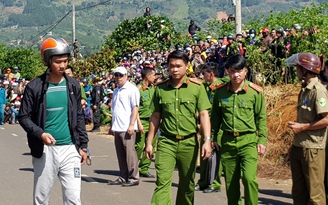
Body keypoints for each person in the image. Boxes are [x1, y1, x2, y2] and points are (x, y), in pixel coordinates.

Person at [18, 36, 89, 205]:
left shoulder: (73, 85)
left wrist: (84, 145)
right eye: (58, 62)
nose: (63, 65)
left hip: (70, 149)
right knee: (41, 198)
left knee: (73, 198)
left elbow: (78, 115)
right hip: (45, 152)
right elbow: (23, 116)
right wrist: (41, 134)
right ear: (48, 61)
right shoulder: (34, 87)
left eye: (65, 61)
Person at [145, 50, 212, 205]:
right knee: (162, 182)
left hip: (189, 143)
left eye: (178, 66)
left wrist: (207, 140)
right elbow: (155, 117)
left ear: (186, 66)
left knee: (187, 184)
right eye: (171, 66)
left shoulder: (197, 87)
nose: (174, 69)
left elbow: (203, 114)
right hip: (166, 142)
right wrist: (149, 143)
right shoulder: (160, 88)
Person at [211, 54, 268, 205]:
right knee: (231, 183)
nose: (236, 75)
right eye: (232, 71)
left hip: (248, 141)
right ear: (227, 72)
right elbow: (215, 117)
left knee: (249, 179)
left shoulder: (254, 93)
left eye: (239, 71)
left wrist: (262, 140)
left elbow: (261, 118)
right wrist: (213, 137)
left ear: (245, 71)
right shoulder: (220, 92)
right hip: (228, 143)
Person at [287, 53, 328, 205]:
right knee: (299, 192)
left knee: (315, 194)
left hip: (313, 148)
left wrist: (303, 127)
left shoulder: (318, 91)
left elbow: (326, 119)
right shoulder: (305, 90)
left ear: (305, 69)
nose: (296, 71)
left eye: (298, 68)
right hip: (300, 146)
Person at [107, 66, 140, 187]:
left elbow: (135, 108)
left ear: (126, 76)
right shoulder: (116, 90)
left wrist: (132, 125)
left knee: (130, 153)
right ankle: (123, 176)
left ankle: (133, 177)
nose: (118, 78)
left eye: (121, 75)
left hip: (127, 127)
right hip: (117, 126)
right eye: (116, 75)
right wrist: (112, 125)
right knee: (120, 154)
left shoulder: (132, 89)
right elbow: (115, 110)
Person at [195, 62, 224, 193]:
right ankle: (203, 182)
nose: (202, 76)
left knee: (215, 157)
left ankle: (215, 183)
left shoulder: (222, 87)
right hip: (206, 126)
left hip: (217, 127)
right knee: (204, 155)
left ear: (211, 74)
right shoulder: (205, 87)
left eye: (204, 73)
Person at [135, 68, 156, 178]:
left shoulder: (154, 88)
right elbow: (135, 108)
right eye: (153, 75)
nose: (155, 77)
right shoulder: (138, 90)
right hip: (142, 121)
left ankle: (144, 168)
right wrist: (139, 123)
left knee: (151, 146)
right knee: (138, 146)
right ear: (147, 76)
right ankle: (133, 167)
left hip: (153, 121)